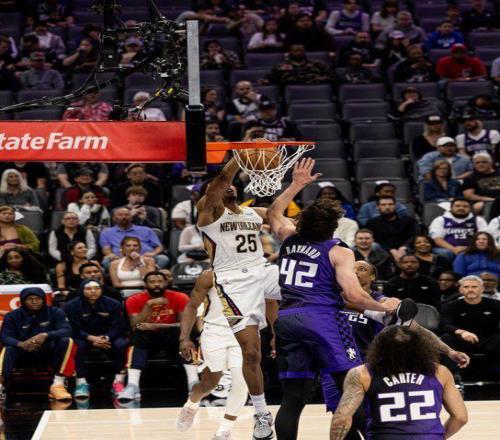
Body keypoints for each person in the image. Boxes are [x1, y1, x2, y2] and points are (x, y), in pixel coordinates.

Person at [266, 159, 401, 440]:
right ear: (334, 226)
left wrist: (297, 184)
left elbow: (273, 211)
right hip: (322, 318)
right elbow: (353, 295)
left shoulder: (288, 237)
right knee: (351, 388)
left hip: (287, 318)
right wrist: (382, 306)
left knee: (292, 400)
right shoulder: (338, 250)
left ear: (302, 221)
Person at [196, 156, 282, 439]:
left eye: (232, 185)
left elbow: (278, 214)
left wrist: (297, 185)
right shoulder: (208, 216)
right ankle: (261, 413)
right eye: (221, 186)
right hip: (233, 283)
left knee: (308, 281)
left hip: (262, 270)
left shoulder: (251, 213)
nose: (228, 187)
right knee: (252, 353)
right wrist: (240, 157)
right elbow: (221, 181)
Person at [330, 326, 468, 440]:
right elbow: (460, 417)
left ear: (379, 347)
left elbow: (341, 419)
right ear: (421, 348)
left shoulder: (362, 373)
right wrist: (438, 437)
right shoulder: (440, 372)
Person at [176, 270, 249, 439]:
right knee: (210, 383)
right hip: (214, 332)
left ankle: (224, 431)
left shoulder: (258, 271)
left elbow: (270, 303)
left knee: (241, 381)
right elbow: (192, 306)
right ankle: (191, 405)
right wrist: (184, 338)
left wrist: (275, 333)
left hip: (245, 331)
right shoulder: (209, 275)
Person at [118, 271, 196, 400]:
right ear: (145, 284)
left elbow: (186, 324)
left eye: (160, 281)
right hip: (149, 340)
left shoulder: (180, 297)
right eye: (152, 282)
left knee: (186, 335)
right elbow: (135, 325)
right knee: (137, 335)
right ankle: (132, 385)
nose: (156, 285)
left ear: (166, 283)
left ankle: (193, 384)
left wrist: (156, 326)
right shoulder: (134, 299)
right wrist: (149, 305)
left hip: (172, 338)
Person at [0, 287, 76, 401]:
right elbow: (5, 337)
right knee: (9, 348)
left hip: (48, 353)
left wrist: (45, 335)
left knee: (67, 341)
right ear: (23, 301)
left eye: (38, 298)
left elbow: (67, 330)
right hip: (23, 354)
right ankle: (0, 385)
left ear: (44, 300)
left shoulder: (55, 311)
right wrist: (21, 344)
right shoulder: (12, 315)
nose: (34, 301)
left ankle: (57, 385)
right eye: (30, 299)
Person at [64, 279, 128, 399]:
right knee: (76, 345)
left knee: (121, 344)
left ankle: (118, 381)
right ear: (82, 290)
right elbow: (73, 328)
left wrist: (106, 337)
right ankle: (81, 383)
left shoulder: (114, 304)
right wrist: (91, 338)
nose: (93, 291)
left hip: (107, 337)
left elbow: (119, 326)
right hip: (83, 337)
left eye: (97, 288)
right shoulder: (71, 305)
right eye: (89, 289)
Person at [440, 275, 500, 387]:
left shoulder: (495, 304)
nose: (470, 289)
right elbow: (445, 324)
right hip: (462, 341)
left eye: (474, 287)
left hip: (490, 340)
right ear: (460, 289)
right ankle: (454, 377)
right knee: (446, 338)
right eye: (466, 287)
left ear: (482, 289)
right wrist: (462, 332)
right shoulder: (451, 306)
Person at [99, 207, 168, 269]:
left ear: (131, 217)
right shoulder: (106, 232)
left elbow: (159, 247)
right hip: (120, 260)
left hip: (145, 258)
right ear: (114, 218)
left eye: (127, 215)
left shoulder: (146, 230)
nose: (124, 217)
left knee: (163, 258)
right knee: (106, 261)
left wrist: (153, 253)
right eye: (120, 215)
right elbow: (106, 248)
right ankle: (121, 274)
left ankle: (151, 273)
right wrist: (110, 254)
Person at [365, 196, 418, 261]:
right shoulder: (372, 223)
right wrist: (390, 250)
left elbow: (414, 235)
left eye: (390, 204)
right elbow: (374, 240)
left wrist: (404, 247)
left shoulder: (408, 220)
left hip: (406, 249)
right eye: (383, 205)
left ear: (395, 206)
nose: (387, 207)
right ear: (378, 207)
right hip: (382, 251)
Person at [265, 43, 334, 86]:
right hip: (291, 91)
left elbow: (332, 76)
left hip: (314, 88)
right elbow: (270, 79)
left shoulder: (317, 63)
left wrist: (321, 79)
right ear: (290, 52)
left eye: (301, 51)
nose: (299, 53)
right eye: (295, 51)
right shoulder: (281, 66)